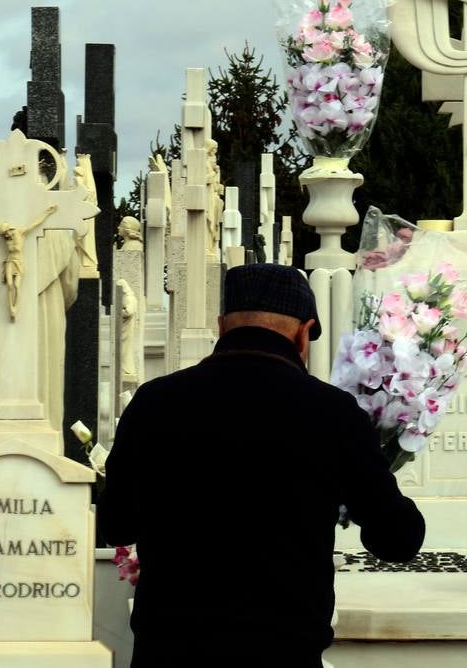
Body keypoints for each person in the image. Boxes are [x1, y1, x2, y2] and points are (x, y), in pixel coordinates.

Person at [100, 264, 426, 666]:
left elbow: (113, 524)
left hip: (171, 649)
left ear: (222, 326)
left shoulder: (154, 403)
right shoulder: (333, 414)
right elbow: (397, 540)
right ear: (303, 334)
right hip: (283, 650)